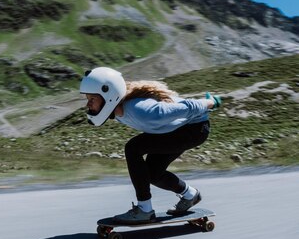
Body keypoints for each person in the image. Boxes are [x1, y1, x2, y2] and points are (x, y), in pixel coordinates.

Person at [79, 66, 221, 223]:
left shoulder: (143, 110)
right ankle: (191, 195)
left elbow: (188, 107)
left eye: (92, 99)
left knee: (133, 148)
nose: (88, 105)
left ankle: (144, 209)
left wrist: (210, 102)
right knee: (153, 174)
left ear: (109, 96)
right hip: (173, 129)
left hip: (194, 129)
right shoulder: (117, 110)